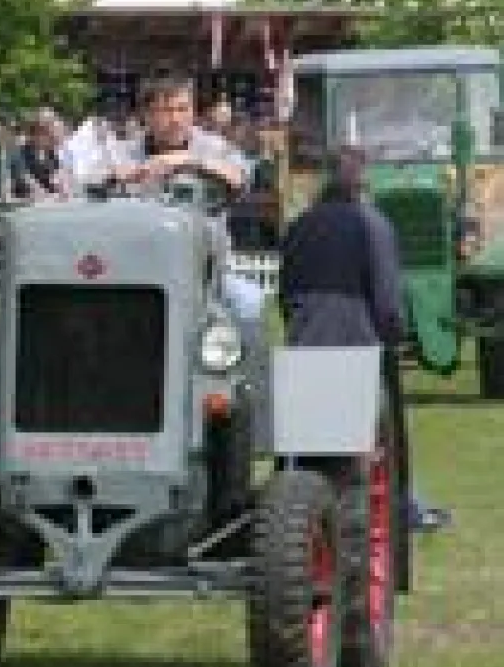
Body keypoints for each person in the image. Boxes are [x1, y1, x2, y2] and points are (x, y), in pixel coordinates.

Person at [279, 146, 450, 531]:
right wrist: (394, 336)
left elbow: (286, 292)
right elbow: (387, 299)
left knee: (306, 437)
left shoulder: (299, 225)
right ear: (363, 184)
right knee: (379, 434)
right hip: (356, 333)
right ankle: (400, 506)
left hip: (304, 335)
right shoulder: (373, 224)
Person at [102, 69, 266, 325]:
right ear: (147, 115)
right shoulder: (125, 154)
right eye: (166, 111)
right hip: (141, 274)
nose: (176, 119)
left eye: (182, 109)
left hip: (207, 275)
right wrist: (119, 177)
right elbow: (93, 188)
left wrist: (186, 160)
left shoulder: (213, 147)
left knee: (249, 303)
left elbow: (239, 177)